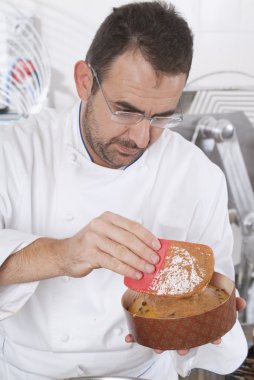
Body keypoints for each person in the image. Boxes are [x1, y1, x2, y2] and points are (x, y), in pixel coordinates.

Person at [0, 1, 248, 379]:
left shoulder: (197, 175)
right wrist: (63, 255)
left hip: (140, 372)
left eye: (162, 116)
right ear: (85, 81)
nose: (141, 137)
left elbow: (216, 288)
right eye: (125, 110)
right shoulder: (15, 150)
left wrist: (199, 328)